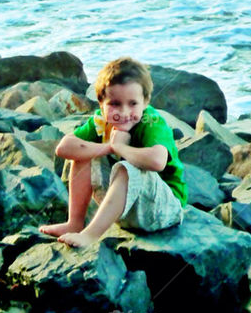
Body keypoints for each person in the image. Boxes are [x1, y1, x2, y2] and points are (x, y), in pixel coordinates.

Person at [39, 57, 187, 247]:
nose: (124, 112)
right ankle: (74, 223)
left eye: (133, 104)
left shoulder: (152, 122)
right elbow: (64, 148)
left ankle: (90, 235)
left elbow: (158, 161)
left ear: (145, 101)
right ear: (101, 103)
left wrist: (121, 148)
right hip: (125, 207)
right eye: (115, 104)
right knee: (81, 152)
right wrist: (110, 146)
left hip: (162, 210)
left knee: (128, 168)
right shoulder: (101, 121)